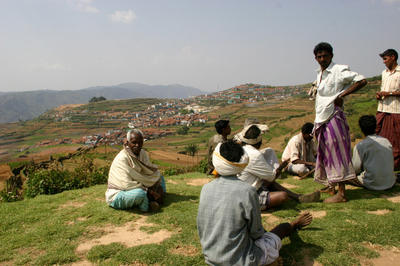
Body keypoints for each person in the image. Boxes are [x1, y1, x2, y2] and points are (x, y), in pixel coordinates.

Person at [197, 140, 313, 266]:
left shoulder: (205, 189)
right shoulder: (248, 191)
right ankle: (292, 226)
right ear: (242, 161)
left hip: (211, 259)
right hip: (243, 261)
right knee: (282, 228)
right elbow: (256, 233)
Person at [312, 42, 367, 203]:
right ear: (316, 58)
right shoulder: (320, 73)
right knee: (327, 153)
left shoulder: (339, 70)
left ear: (331, 56)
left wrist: (342, 95)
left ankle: (342, 193)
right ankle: (332, 186)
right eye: (319, 56)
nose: (322, 59)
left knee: (337, 152)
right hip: (322, 117)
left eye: (325, 56)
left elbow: (361, 80)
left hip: (334, 116)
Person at [237, 124, 320, 210]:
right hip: (247, 197)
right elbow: (272, 176)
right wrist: (281, 166)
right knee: (283, 196)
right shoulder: (255, 155)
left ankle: (297, 197)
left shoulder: (242, 149)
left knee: (267, 181)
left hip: (243, 190)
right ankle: (293, 197)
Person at [105, 129, 166, 212]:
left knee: (160, 177)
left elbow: (149, 173)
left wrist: (156, 185)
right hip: (120, 192)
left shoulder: (142, 153)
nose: (137, 145)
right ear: (128, 143)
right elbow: (126, 185)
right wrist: (150, 192)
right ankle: (147, 203)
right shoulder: (122, 158)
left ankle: (152, 199)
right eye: (134, 142)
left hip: (139, 185)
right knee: (140, 194)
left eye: (140, 142)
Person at [349, 115, 396, 190]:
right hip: (389, 181)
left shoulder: (361, 145)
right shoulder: (386, 141)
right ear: (376, 126)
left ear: (361, 129)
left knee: (344, 177)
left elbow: (355, 168)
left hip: (371, 182)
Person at [375, 49, 400, 171]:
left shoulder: (399, 73)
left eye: (385, 59)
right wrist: (380, 95)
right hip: (382, 108)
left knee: (395, 140)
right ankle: (382, 164)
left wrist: (389, 93)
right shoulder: (384, 73)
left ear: (393, 57)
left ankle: (393, 167)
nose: (384, 62)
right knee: (379, 135)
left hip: (395, 110)